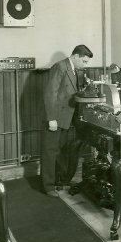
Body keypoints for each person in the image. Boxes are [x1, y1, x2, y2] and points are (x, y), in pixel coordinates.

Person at [41, 45, 93, 197]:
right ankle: (48, 186)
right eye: (84, 61)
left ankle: (60, 181)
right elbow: (50, 94)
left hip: (66, 117)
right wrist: (51, 118)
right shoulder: (60, 67)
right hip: (55, 117)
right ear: (76, 56)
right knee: (50, 152)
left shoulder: (72, 69)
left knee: (60, 150)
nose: (85, 65)